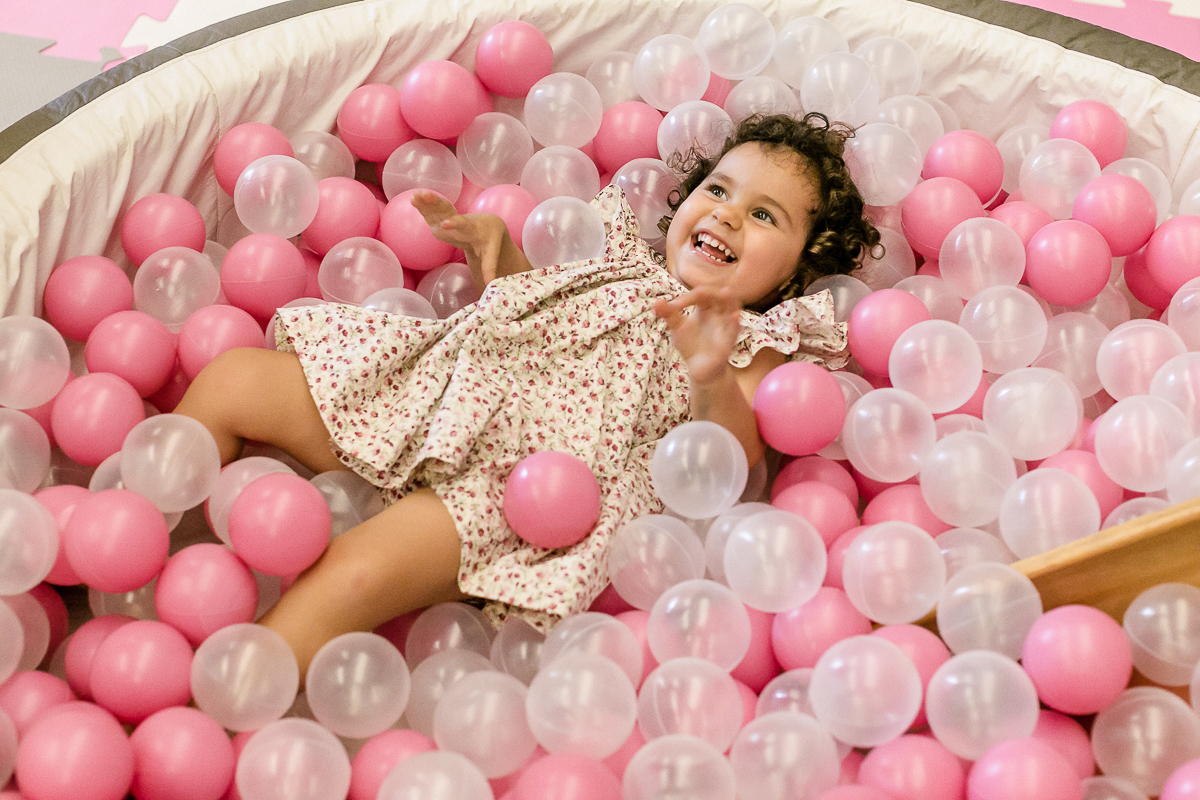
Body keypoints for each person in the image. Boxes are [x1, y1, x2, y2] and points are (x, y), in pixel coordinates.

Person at [174, 112, 880, 673]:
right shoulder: (622, 261)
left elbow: (730, 456)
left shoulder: (753, 342)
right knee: (233, 380)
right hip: (438, 399)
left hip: (523, 484)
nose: (727, 215)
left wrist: (709, 374)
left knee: (351, 577)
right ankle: (141, 545)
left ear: (799, 267)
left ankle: (219, 704)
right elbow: (541, 316)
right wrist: (498, 253)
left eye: (765, 217)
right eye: (719, 191)